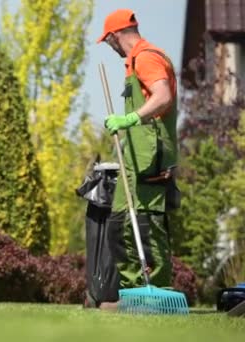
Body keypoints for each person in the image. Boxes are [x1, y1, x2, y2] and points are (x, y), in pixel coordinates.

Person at [96, 9, 179, 310]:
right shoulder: (132, 64)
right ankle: (134, 294)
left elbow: (163, 96)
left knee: (147, 227)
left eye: (108, 42)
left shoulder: (147, 57)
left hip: (150, 156)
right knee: (120, 225)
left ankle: (157, 295)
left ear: (115, 35)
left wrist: (129, 117)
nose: (110, 47)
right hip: (134, 157)